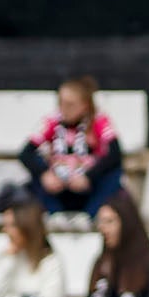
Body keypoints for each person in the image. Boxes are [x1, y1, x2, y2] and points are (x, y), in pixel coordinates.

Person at [18, 76, 123, 222]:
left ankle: (92, 216)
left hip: (87, 185)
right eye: (60, 103)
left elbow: (115, 154)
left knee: (114, 173)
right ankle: (55, 216)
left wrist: (89, 177)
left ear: (84, 106)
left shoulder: (99, 120)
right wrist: (44, 174)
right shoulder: (52, 120)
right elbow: (25, 153)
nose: (64, 109)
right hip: (59, 186)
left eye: (70, 105)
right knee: (35, 172)